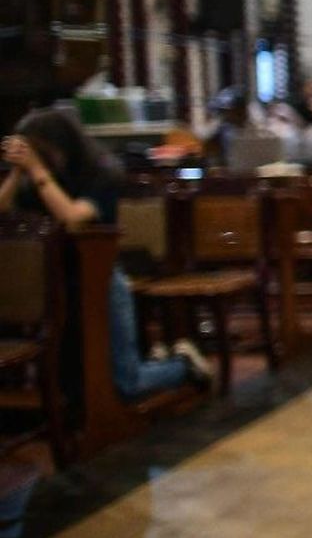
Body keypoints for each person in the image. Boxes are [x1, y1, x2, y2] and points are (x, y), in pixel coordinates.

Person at [1, 110, 211, 398]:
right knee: (73, 383)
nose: (37, 156)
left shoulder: (99, 176)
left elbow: (73, 218)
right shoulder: (35, 182)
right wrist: (16, 171)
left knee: (127, 385)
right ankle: (158, 361)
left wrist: (38, 171)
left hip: (102, 282)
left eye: (40, 149)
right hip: (56, 285)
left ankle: (182, 366)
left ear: (62, 145)